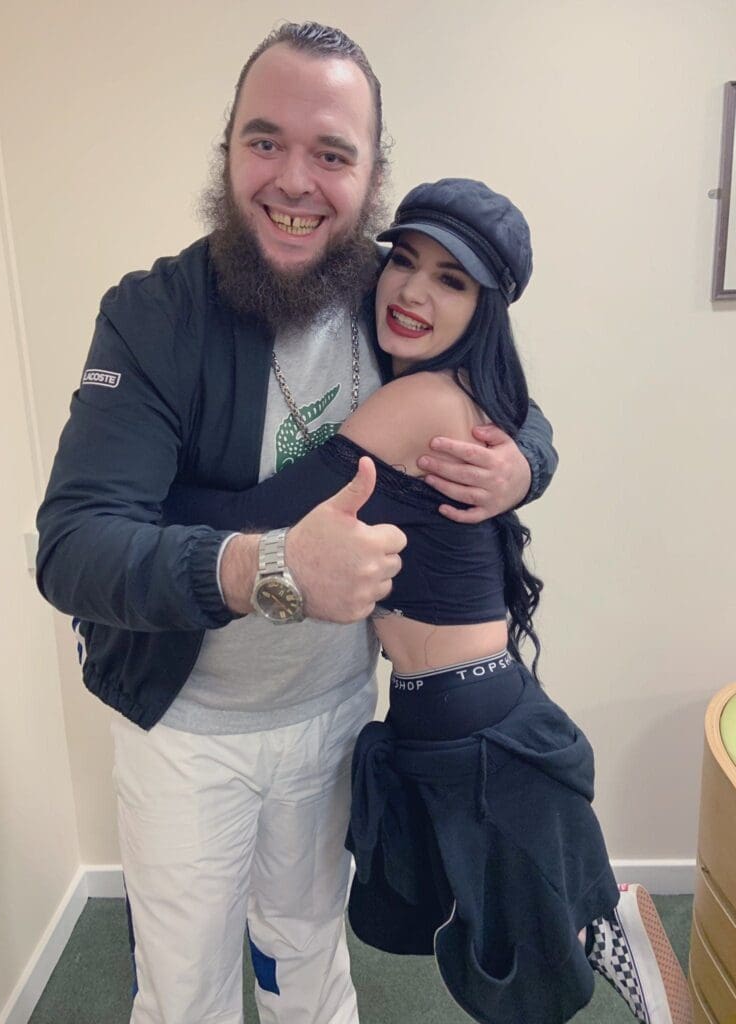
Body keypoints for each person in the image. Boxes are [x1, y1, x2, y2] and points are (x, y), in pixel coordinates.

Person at [35, 23, 559, 1024]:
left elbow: (496, 385)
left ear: (371, 178)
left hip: (333, 712)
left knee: (306, 957)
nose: (293, 181)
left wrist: (525, 460)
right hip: (185, 730)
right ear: (227, 150)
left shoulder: (389, 294)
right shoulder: (153, 317)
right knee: (184, 990)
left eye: (331, 153)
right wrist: (268, 565)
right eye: (265, 141)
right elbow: (76, 546)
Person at [164, 178, 693, 1024]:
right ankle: (599, 908)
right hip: (456, 713)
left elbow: (258, 517)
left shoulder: (417, 401)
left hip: (473, 730)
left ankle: (604, 916)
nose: (412, 290)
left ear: (484, 309)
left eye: (451, 280)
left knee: (518, 967)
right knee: (499, 929)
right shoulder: (450, 387)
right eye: (404, 260)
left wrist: (130, 502)